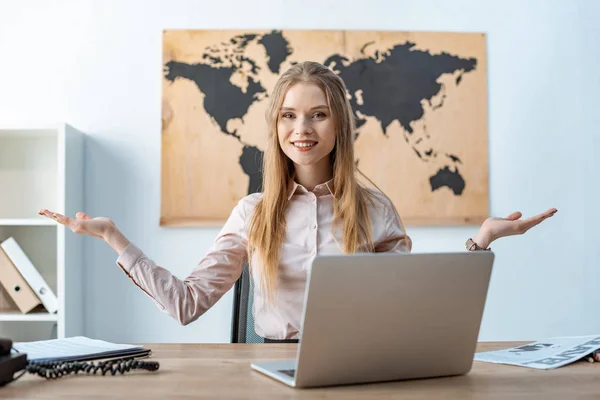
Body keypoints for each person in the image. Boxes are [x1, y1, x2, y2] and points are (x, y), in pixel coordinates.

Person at [39, 61, 557, 342]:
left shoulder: (377, 211)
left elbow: (417, 312)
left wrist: (482, 240)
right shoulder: (253, 213)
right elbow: (185, 304)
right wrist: (113, 237)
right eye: (288, 115)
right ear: (276, 126)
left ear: (339, 126)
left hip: (361, 368)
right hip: (271, 370)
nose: (301, 128)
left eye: (318, 114)